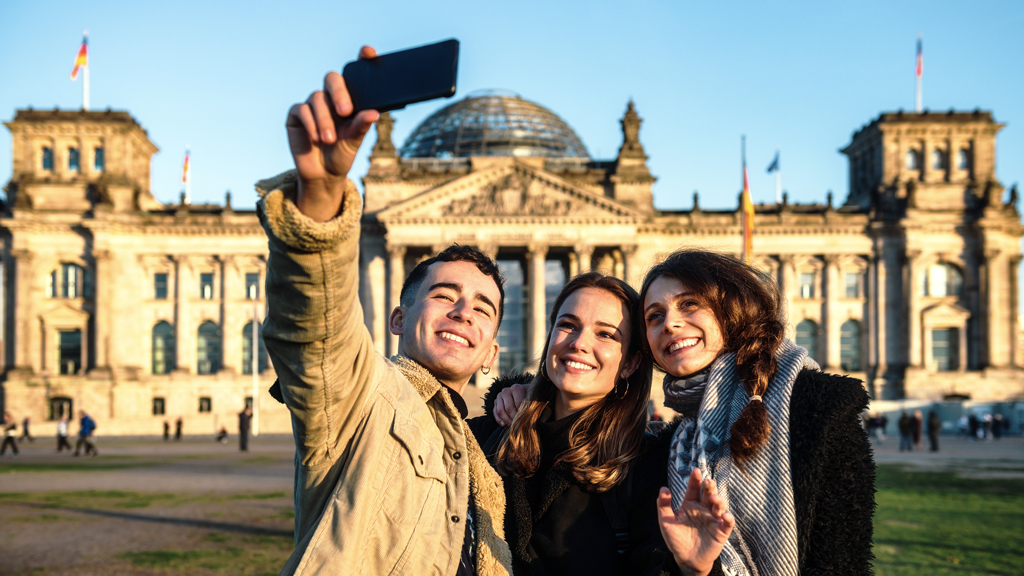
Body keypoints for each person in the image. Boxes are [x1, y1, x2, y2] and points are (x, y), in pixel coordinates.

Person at [257, 45, 512, 575]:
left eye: (482, 307)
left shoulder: (486, 460)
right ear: (398, 319)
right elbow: (316, 331)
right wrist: (321, 204)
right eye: (444, 295)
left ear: (492, 350)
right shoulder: (358, 401)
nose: (464, 311)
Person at [640, 250, 874, 576]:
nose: (670, 323)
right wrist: (696, 569)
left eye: (689, 304)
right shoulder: (668, 448)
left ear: (731, 309)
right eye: (654, 316)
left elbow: (843, 564)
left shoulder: (819, 408)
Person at [469, 272, 674, 574]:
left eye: (605, 334)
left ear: (630, 363)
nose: (578, 343)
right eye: (568, 325)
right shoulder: (484, 438)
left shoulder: (647, 469)